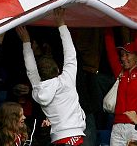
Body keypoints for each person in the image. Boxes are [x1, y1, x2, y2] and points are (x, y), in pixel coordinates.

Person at [16, 9, 86, 145]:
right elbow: (70, 54)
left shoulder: (38, 90)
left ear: (40, 77)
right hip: (74, 139)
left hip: (58, 140)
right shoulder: (67, 79)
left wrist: (26, 42)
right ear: (58, 69)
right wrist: (61, 24)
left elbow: (31, 70)